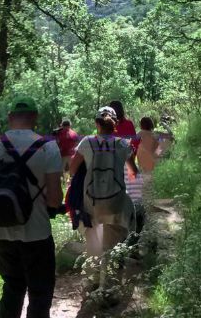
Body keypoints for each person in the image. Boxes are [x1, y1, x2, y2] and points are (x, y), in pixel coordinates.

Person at [0, 97, 63, 318]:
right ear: (35, 117)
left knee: (12, 288)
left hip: (2, 231)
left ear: (9, 118)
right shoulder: (48, 147)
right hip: (37, 233)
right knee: (40, 293)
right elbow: (54, 199)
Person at [69, 106, 135, 289]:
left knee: (93, 244)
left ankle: (92, 282)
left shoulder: (86, 142)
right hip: (116, 201)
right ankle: (110, 286)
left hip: (92, 202)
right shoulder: (123, 144)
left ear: (96, 123)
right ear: (115, 124)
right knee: (113, 244)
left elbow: (72, 170)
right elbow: (133, 171)